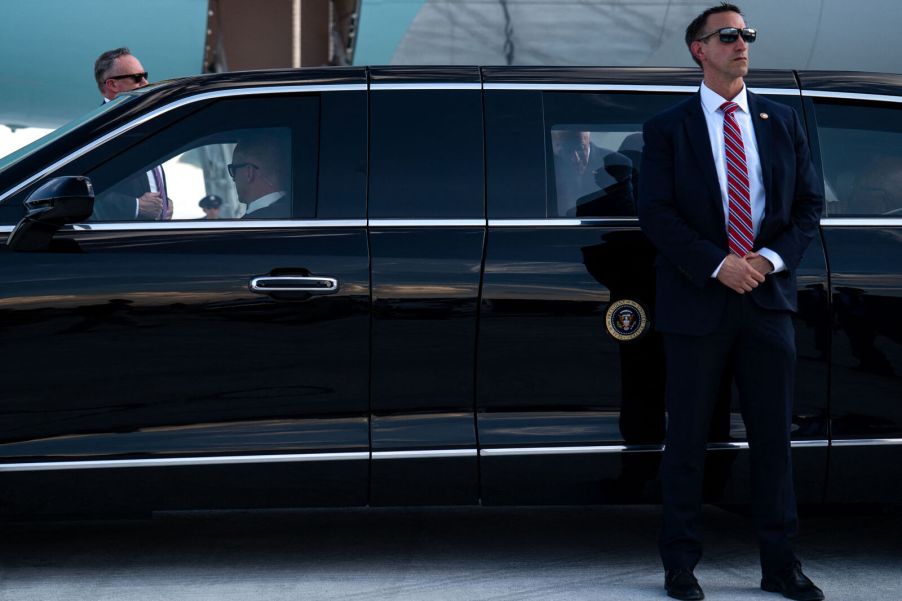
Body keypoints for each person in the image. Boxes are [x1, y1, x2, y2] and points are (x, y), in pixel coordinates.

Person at [637, 4, 825, 601]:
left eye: (746, 34)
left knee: (774, 440)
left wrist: (765, 262)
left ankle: (781, 566)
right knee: (687, 439)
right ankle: (681, 565)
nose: (741, 42)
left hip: (767, 302)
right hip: (698, 303)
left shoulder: (783, 119)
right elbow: (656, 215)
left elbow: (808, 207)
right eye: (728, 35)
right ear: (699, 49)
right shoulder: (668, 127)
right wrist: (719, 265)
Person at [91, 47, 171, 221]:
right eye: (137, 78)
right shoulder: (97, 132)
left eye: (145, 76)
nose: (145, 83)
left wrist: (164, 204)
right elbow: (85, 194)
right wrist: (135, 206)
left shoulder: (141, 125)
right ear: (112, 84)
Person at [553, 130, 633, 216]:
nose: (575, 159)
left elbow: (626, 213)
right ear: (559, 147)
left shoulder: (617, 164)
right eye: (568, 150)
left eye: (580, 148)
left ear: (588, 141)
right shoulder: (551, 164)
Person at [229, 133, 290, 218]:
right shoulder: (299, 210)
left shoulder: (248, 226)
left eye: (233, 169)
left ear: (249, 172)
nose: (233, 178)